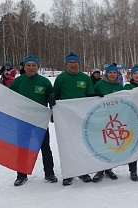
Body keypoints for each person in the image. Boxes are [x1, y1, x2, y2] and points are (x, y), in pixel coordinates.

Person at [8, 55, 57, 186]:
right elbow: (7, 95)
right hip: (23, 121)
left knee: (45, 148)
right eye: (28, 65)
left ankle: (49, 173)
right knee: (23, 148)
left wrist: (52, 103)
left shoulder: (44, 82)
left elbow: (51, 96)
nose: (31, 67)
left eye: (33, 65)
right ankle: (21, 175)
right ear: (24, 67)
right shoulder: (18, 81)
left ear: (38, 67)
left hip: (40, 122)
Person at [48, 51, 95, 186]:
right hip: (65, 117)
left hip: (81, 116)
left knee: (81, 144)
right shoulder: (61, 78)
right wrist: (52, 100)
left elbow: (90, 96)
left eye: (75, 62)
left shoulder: (85, 78)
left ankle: (82, 171)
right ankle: (68, 173)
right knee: (67, 145)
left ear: (79, 64)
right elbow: (55, 92)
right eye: (71, 62)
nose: (73, 64)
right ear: (66, 64)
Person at [92, 64, 123, 182]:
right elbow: (90, 98)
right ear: (106, 74)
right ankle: (99, 169)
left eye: (114, 73)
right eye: (110, 73)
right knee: (101, 143)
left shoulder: (119, 86)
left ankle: (109, 168)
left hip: (114, 120)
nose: (112, 75)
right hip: (101, 118)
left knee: (110, 144)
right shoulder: (99, 84)